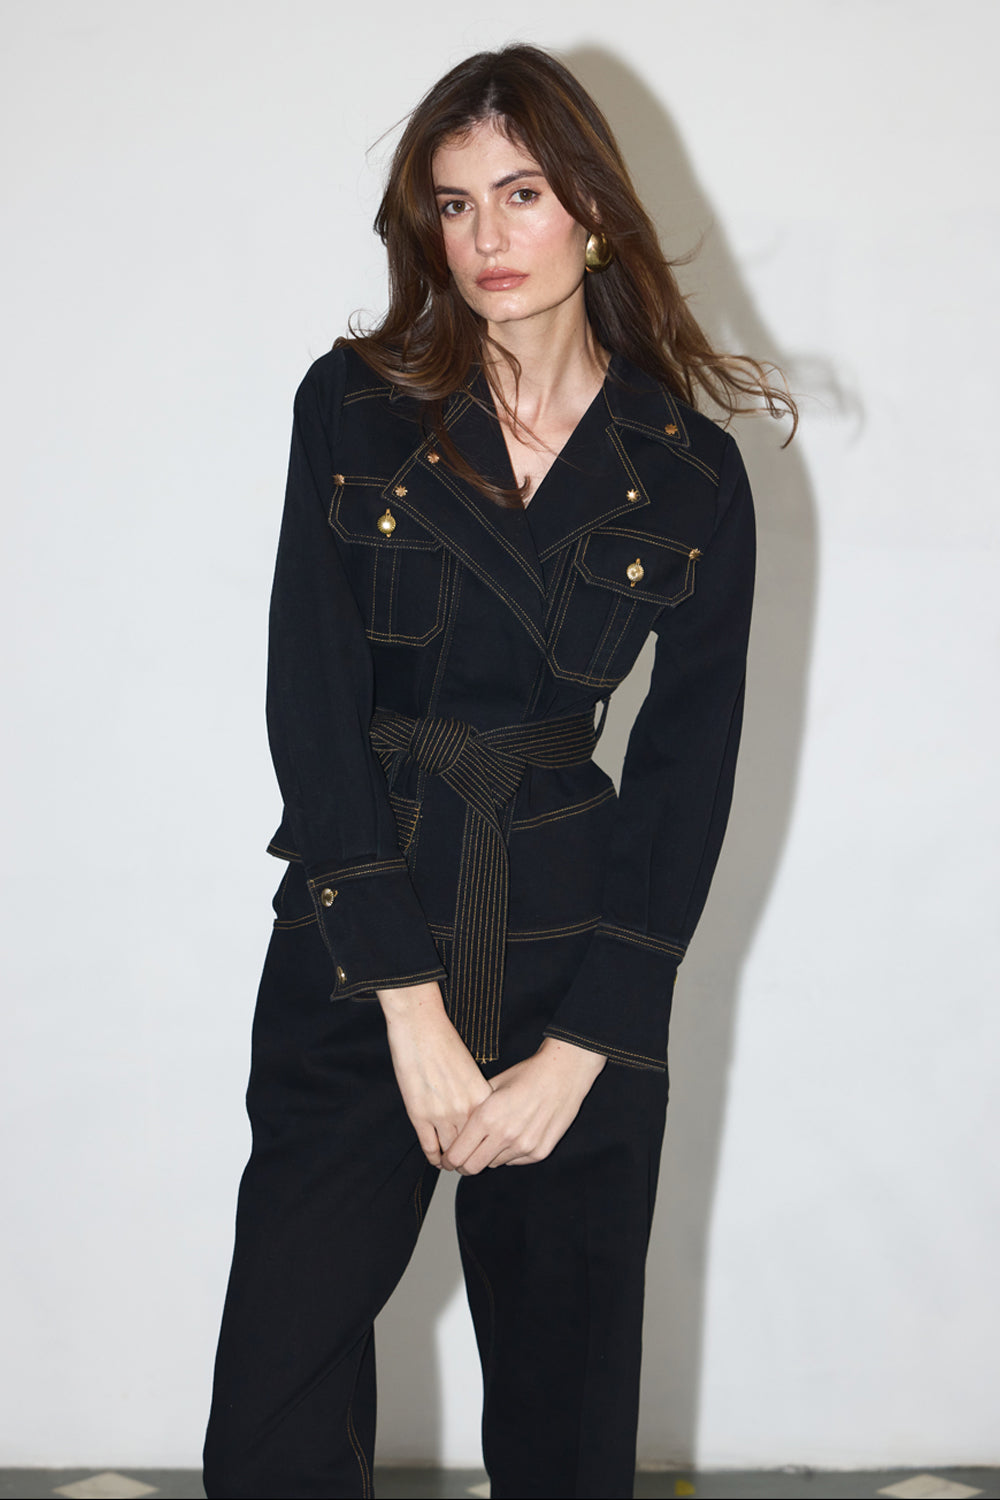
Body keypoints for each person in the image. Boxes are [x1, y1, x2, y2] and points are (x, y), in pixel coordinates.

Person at [203, 43, 795, 1500]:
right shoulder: (355, 408)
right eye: (454, 205)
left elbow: (687, 775)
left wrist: (584, 1049)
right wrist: (405, 1005)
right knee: (273, 1422)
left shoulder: (689, 472)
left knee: (567, 1428)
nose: (485, 238)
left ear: (590, 209)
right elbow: (312, 703)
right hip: (361, 937)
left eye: (521, 194)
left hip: (575, 948)